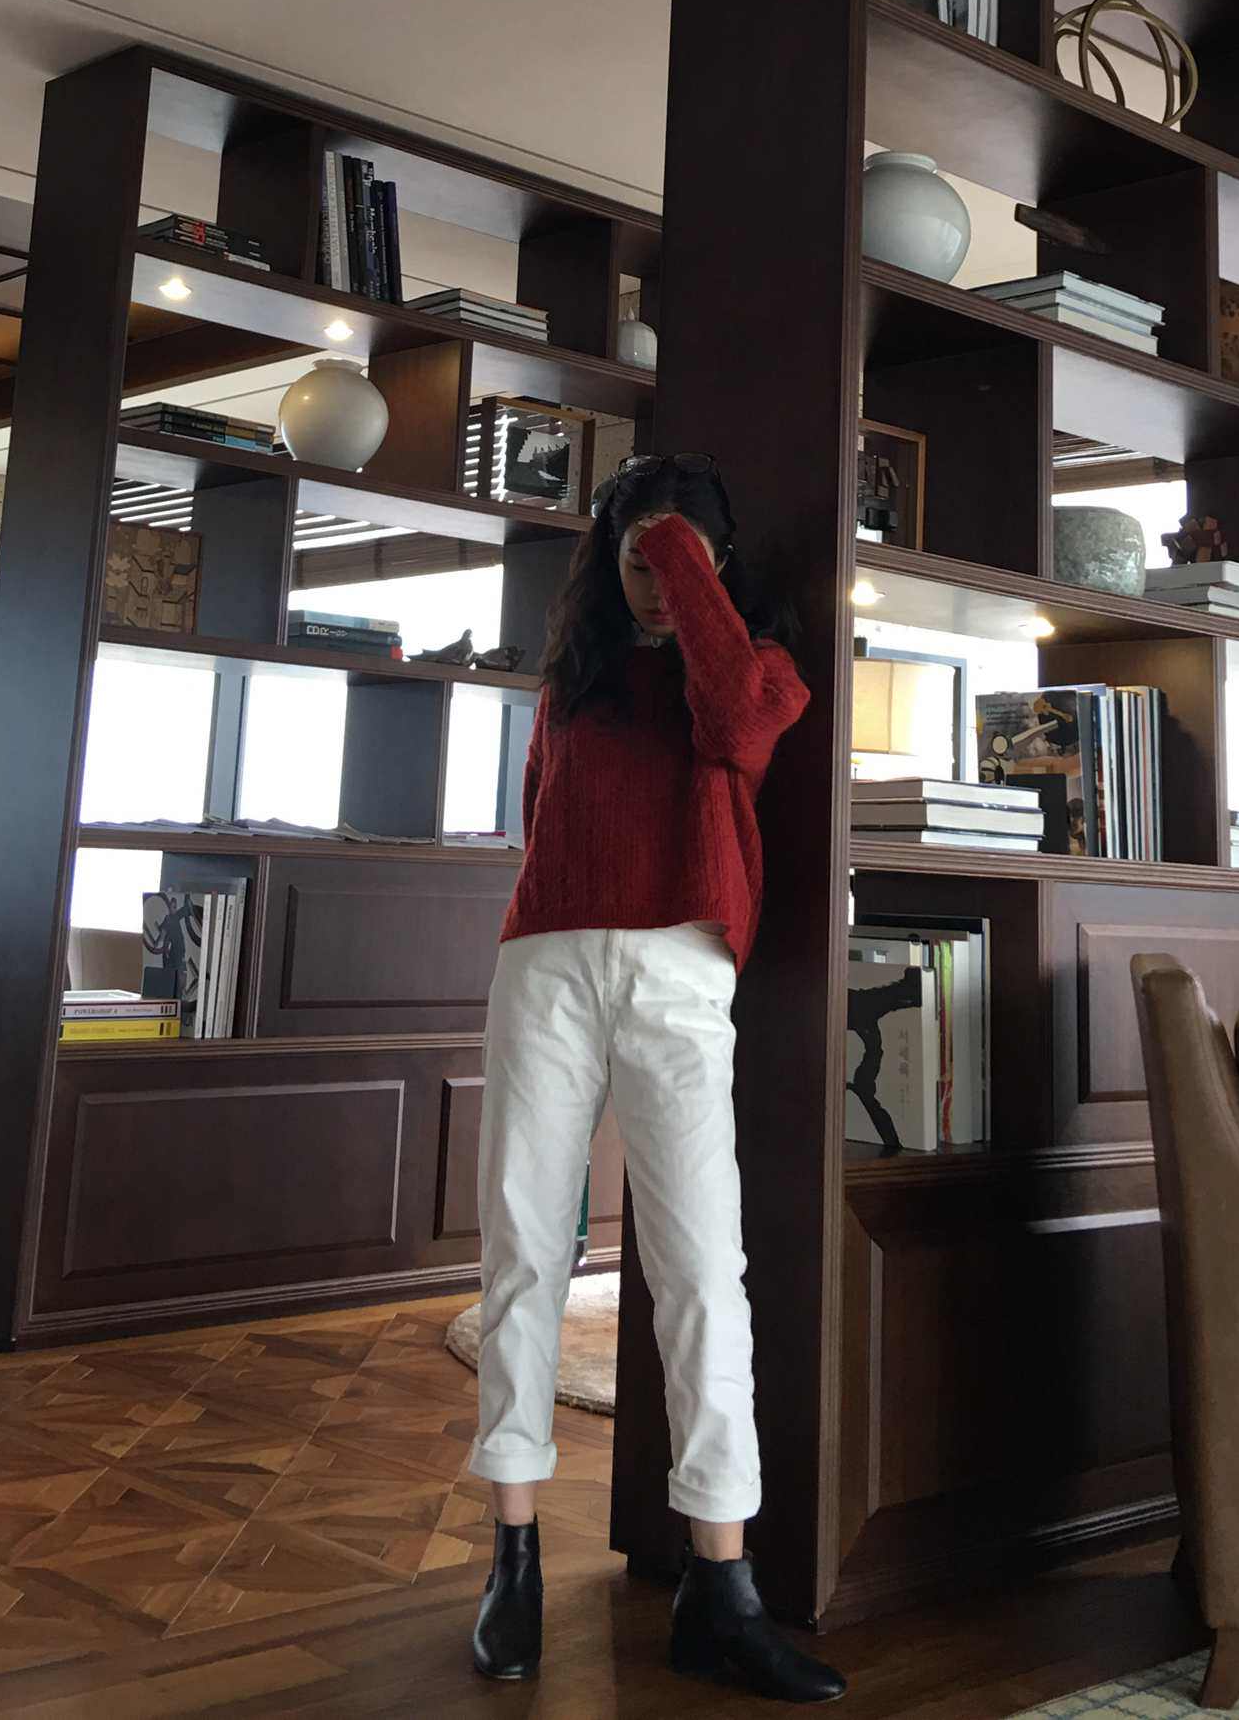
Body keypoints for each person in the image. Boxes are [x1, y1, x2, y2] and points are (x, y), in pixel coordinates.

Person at [465, 451, 847, 1702]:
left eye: (672, 554)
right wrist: (647, 547)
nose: (648, 576)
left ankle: (720, 1587)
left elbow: (733, 726)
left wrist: (678, 556)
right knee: (526, 1250)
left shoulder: (757, 671)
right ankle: (513, 1554)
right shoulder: (573, 681)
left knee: (698, 1270)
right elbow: (543, 816)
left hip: (679, 967)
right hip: (546, 962)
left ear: (713, 561)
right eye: (632, 556)